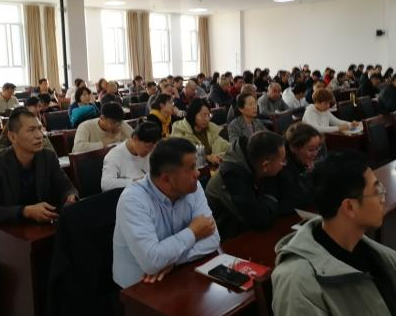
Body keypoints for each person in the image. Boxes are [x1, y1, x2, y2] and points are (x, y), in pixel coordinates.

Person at [271, 151, 396, 316]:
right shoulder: (298, 284)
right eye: (377, 191)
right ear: (350, 207)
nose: (383, 198)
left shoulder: (369, 251)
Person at [0, 109, 78, 316]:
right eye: (31, 130)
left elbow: (66, 186)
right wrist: (25, 211)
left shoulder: (47, 157)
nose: (39, 135)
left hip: (41, 237)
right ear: (13, 137)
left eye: (40, 129)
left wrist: (70, 197)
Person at [112, 138, 220, 288]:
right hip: (138, 287)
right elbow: (151, 262)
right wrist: (193, 232)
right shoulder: (133, 200)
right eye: (191, 168)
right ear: (166, 179)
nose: (197, 173)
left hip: (178, 274)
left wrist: (173, 261)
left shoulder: (192, 187)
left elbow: (213, 239)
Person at [205, 131, 286, 239]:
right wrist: (270, 195)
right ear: (265, 165)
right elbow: (260, 221)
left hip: (245, 229)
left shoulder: (253, 163)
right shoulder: (232, 177)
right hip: (229, 238)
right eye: (282, 161)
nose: (284, 165)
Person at [276, 123, 323, 215]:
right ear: (293, 148)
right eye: (311, 149)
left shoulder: (303, 160)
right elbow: (298, 201)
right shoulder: (282, 167)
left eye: (317, 148)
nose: (315, 154)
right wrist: (310, 175)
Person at [101, 121, 162, 191]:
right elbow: (106, 184)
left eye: (154, 147)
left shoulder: (152, 151)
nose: (150, 151)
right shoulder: (114, 155)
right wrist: (136, 181)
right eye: (148, 146)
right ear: (135, 139)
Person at [171, 98, 230, 165]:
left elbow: (228, 147)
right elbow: (182, 155)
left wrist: (220, 156)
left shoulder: (211, 129)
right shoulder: (180, 130)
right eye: (203, 115)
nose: (207, 119)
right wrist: (207, 158)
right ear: (193, 114)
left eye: (209, 115)